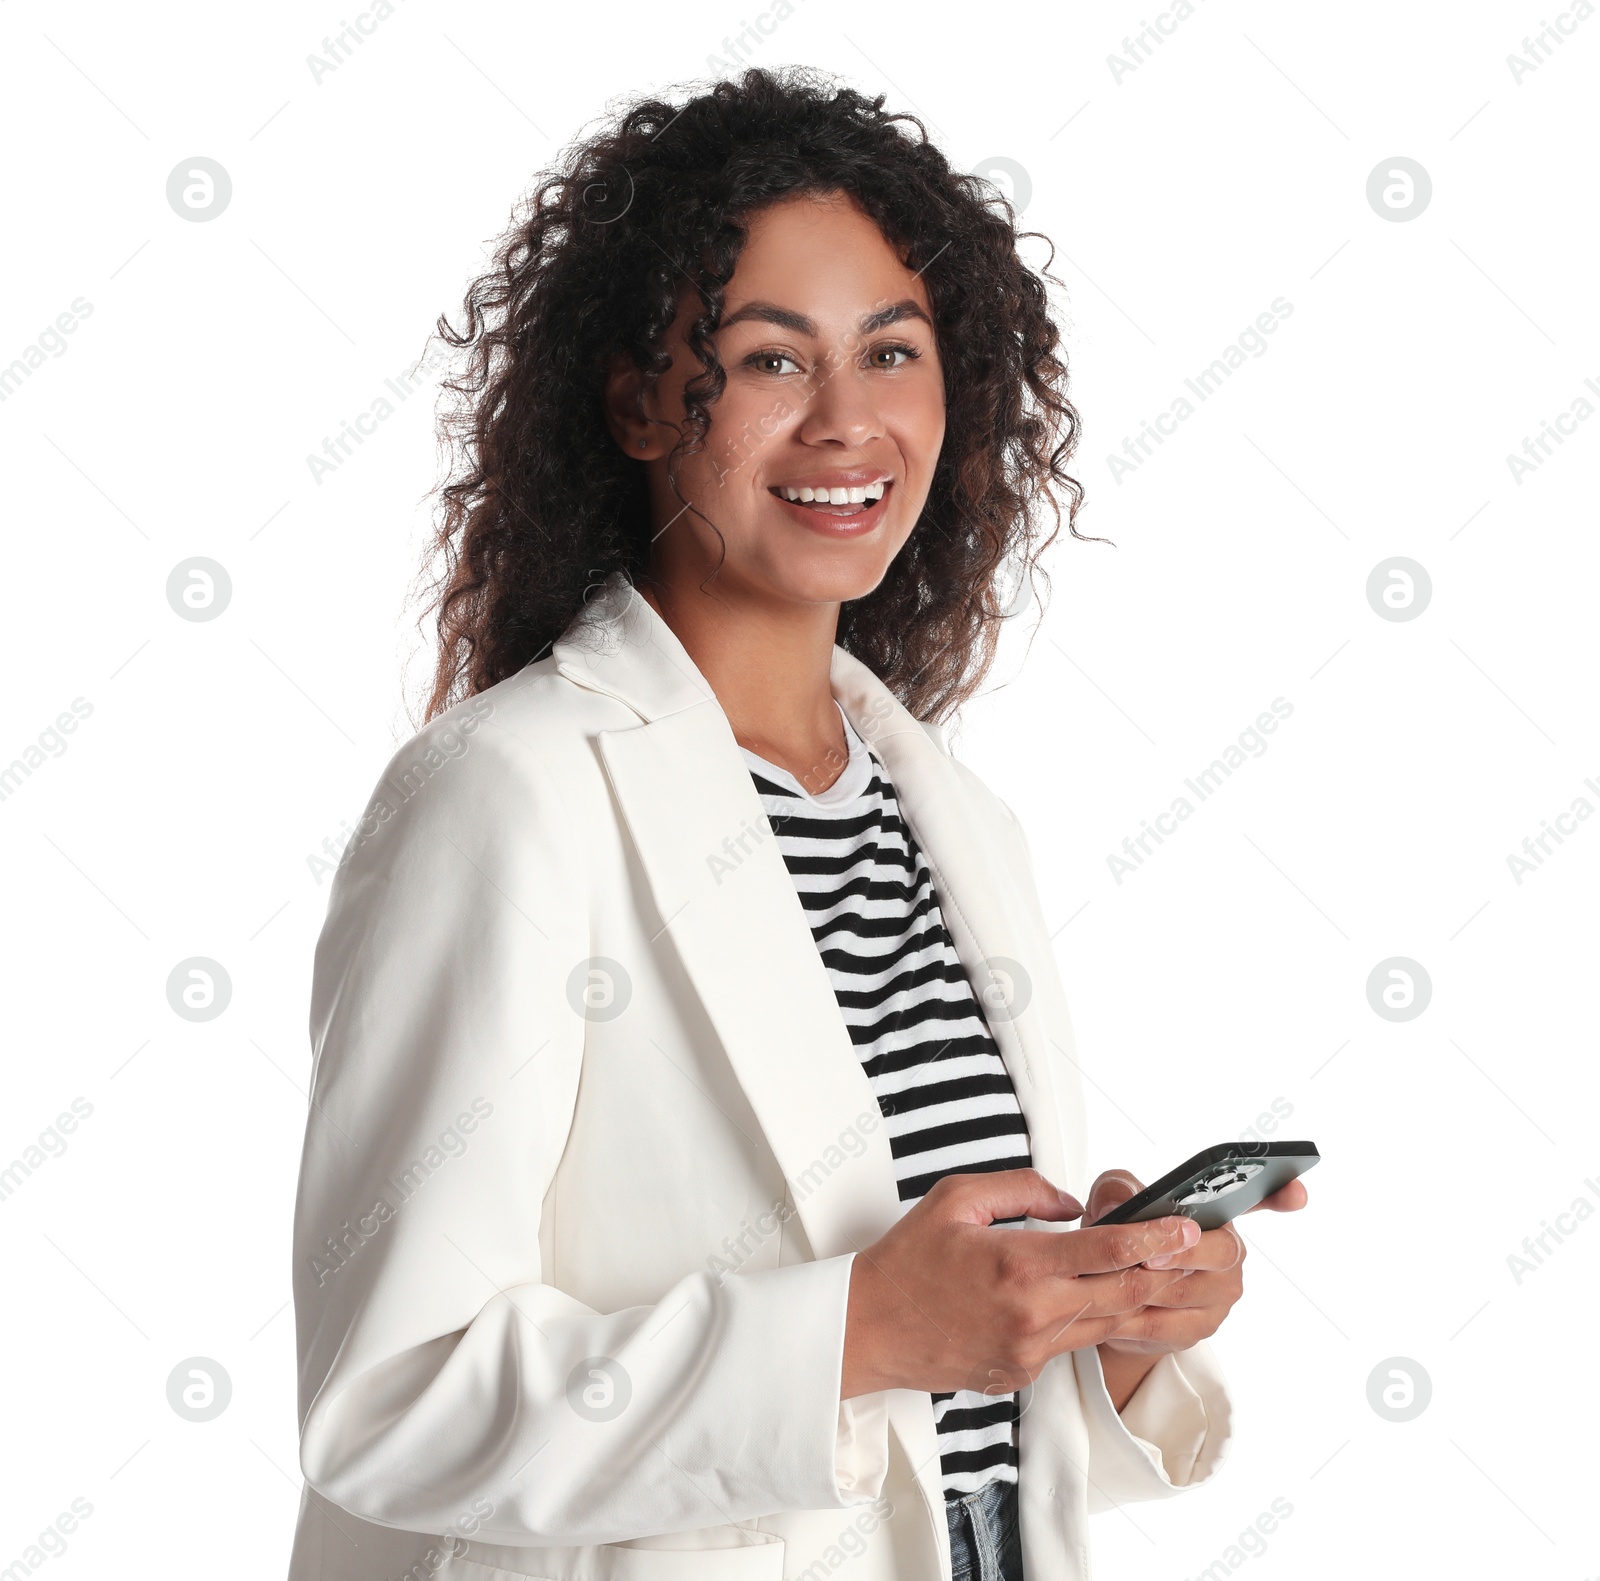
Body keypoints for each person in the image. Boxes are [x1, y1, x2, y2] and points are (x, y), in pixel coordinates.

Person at [287, 65, 1307, 1581]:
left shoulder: (953, 816)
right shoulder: (506, 798)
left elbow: (928, 1441)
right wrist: (857, 1323)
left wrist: (1109, 1322)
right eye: (771, 361)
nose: (849, 422)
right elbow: (392, 1407)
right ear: (640, 401)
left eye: (892, 350)